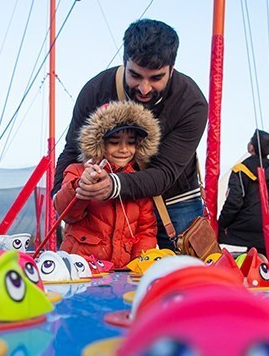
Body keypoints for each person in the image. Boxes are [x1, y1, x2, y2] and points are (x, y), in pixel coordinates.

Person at [53, 19, 209, 250]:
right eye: (136, 75)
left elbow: (165, 173)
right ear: (124, 62)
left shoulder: (192, 103)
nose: (144, 88)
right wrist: (61, 199)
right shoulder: (95, 90)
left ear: (171, 69)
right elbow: (72, 151)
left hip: (175, 201)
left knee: (179, 279)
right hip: (109, 205)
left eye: (156, 78)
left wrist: (112, 185)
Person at [54, 100, 159, 268]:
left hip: (123, 273)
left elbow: (146, 230)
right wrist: (81, 186)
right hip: (82, 270)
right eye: (115, 142)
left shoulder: (137, 181)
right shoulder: (76, 172)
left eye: (131, 142)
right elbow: (67, 214)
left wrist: (137, 266)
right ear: (99, 143)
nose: (124, 149)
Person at [218, 129, 269, 255]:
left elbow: (234, 201)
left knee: (253, 267)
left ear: (252, 146)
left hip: (247, 230)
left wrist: (221, 225)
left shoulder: (241, 169)